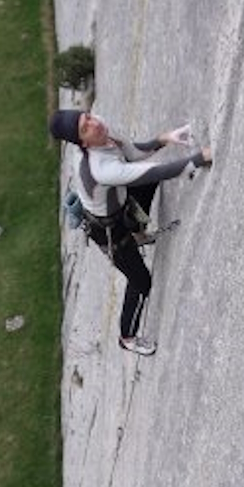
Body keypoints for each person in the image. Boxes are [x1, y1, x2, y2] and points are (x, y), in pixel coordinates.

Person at [49, 109, 212, 355]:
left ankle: (138, 233)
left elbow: (133, 152)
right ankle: (127, 337)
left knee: (146, 181)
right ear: (83, 143)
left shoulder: (102, 133)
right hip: (110, 233)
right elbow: (157, 172)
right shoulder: (99, 169)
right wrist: (200, 158)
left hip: (120, 203)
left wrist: (165, 139)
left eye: (88, 117)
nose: (94, 124)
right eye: (85, 128)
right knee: (141, 283)